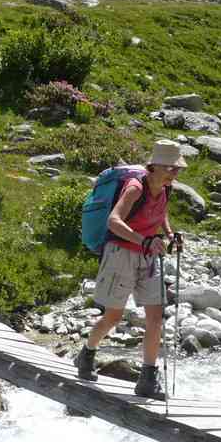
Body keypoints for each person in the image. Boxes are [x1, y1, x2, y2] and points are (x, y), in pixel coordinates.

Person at [73, 139, 186, 400]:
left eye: (177, 169)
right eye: (170, 168)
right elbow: (113, 221)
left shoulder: (166, 188)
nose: (175, 173)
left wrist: (169, 235)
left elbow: (161, 213)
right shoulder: (135, 188)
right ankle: (87, 354)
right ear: (154, 166)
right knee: (113, 317)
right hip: (121, 254)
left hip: (148, 256)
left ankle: (147, 378)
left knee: (156, 317)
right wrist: (143, 239)